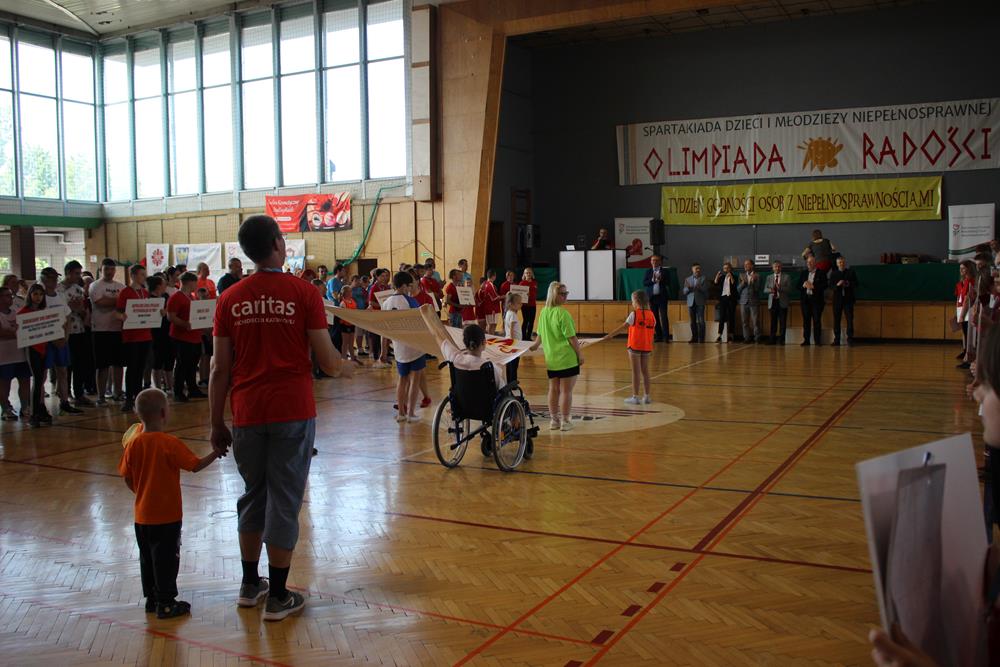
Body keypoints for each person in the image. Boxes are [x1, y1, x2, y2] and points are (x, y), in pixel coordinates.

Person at [209, 214, 352, 622]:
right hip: (292, 409)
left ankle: (249, 585)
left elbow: (219, 368)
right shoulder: (303, 293)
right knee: (285, 500)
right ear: (276, 243)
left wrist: (216, 422)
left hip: (248, 411)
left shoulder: (230, 298)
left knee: (253, 495)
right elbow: (328, 361)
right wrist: (345, 366)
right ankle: (278, 595)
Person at [118, 388, 220, 619]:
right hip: (167, 516)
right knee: (166, 559)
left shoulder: (133, 444)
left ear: (138, 414)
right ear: (164, 413)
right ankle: (166, 602)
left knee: (147, 558)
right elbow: (195, 465)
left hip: (142, 516)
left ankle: (152, 599)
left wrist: (140, 492)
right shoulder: (169, 443)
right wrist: (215, 453)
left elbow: (126, 476)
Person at [528, 282, 583, 432]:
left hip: (551, 359)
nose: (565, 296)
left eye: (566, 293)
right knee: (566, 391)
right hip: (567, 359)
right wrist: (580, 355)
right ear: (554, 295)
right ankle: (565, 421)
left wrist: (533, 346)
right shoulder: (563, 314)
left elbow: (539, 337)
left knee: (553, 389)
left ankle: (554, 420)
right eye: (562, 294)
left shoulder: (544, 312)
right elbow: (572, 338)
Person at [420, 305, 505, 389]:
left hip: (462, 397)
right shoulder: (490, 367)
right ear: (483, 343)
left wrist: (425, 315)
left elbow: (436, 335)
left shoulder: (455, 359)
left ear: (464, 342)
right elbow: (502, 388)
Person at [20, 283, 68, 426]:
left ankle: (40, 410)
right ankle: (34, 413)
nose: (38, 297)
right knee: (37, 379)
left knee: (41, 378)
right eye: (35, 294)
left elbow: (54, 326)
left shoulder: (45, 311)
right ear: (30, 295)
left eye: (41, 294)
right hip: (33, 349)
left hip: (45, 348)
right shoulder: (24, 312)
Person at [382, 272, 426, 423]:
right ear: (403, 286)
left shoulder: (386, 303)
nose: (410, 289)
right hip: (414, 346)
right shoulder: (410, 301)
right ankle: (411, 413)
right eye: (409, 286)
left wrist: (383, 350)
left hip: (399, 348)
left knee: (402, 380)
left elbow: (384, 330)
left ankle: (401, 413)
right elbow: (420, 322)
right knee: (415, 380)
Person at [602, 289, 655, 405]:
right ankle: (647, 396)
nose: (632, 303)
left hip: (635, 346)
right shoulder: (652, 315)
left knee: (636, 372)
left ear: (637, 301)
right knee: (645, 371)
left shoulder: (634, 314)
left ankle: (635, 397)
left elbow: (623, 327)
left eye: (632, 301)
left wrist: (610, 335)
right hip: (646, 347)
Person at [40, 267, 80, 415]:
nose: (54, 281)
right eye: (51, 278)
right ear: (43, 279)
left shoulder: (60, 295)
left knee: (63, 371)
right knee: (42, 374)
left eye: (55, 278)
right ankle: (40, 405)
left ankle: (64, 401)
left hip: (62, 339)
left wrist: (66, 337)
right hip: (46, 341)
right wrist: (52, 338)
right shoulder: (40, 297)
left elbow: (67, 317)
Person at [90, 258, 125, 404]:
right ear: (101, 270)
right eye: (106, 269)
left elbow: (125, 303)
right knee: (102, 365)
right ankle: (101, 396)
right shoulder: (95, 285)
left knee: (118, 364)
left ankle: (118, 392)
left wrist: (111, 300)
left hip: (117, 329)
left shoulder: (121, 286)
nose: (109, 272)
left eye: (112, 269)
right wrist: (118, 300)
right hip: (100, 330)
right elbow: (100, 303)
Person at [166, 272, 206, 402]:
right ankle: (178, 391)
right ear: (190, 282)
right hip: (182, 337)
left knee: (192, 364)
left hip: (194, 336)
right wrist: (185, 324)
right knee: (182, 365)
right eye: (195, 283)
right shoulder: (176, 297)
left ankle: (192, 388)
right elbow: (170, 316)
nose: (196, 285)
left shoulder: (191, 297)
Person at [59, 260, 94, 406]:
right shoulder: (57, 290)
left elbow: (83, 310)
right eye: (76, 273)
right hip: (64, 332)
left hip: (79, 330)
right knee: (66, 365)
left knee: (80, 363)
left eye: (79, 273)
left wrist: (81, 311)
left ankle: (79, 393)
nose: (78, 276)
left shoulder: (78, 289)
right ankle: (65, 394)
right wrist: (68, 307)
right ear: (68, 273)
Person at [0, 286, 30, 421]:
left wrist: (16, 332)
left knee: (24, 381)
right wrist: (18, 333)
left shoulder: (17, 312)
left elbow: (26, 328)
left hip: (20, 354)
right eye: (7, 295)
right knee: (4, 383)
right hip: (4, 356)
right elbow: (2, 333)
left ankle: (25, 407)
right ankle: (5, 408)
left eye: (11, 295)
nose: (10, 298)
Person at [147, 276, 174, 393]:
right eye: (163, 284)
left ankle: (170, 386)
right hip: (155, 333)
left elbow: (170, 309)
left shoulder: (166, 296)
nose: (165, 286)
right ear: (158, 286)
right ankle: (158, 387)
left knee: (169, 360)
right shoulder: (148, 298)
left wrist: (166, 311)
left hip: (168, 331)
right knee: (157, 361)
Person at [797, 255, 828, 346]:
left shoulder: (821, 273)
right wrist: (803, 285)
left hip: (817, 302)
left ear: (815, 263)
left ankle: (817, 341)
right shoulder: (803, 273)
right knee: (806, 321)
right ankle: (806, 340)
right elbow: (797, 286)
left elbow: (825, 285)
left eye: (811, 262)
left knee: (817, 321)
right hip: (805, 301)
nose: (809, 264)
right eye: (808, 262)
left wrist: (814, 286)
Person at [829, 256, 858, 346]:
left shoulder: (850, 272)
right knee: (837, 320)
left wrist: (847, 283)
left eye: (843, 262)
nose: (841, 264)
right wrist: (837, 285)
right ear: (837, 264)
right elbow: (830, 286)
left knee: (849, 319)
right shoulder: (833, 274)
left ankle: (850, 339)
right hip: (837, 300)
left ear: (845, 263)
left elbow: (856, 283)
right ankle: (836, 339)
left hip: (848, 300)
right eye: (840, 262)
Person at [643, 254, 671, 343]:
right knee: (654, 318)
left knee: (664, 317)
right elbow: (644, 283)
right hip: (651, 298)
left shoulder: (665, 271)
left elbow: (669, 282)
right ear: (651, 262)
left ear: (660, 262)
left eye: (656, 260)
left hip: (662, 297)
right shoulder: (648, 271)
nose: (654, 262)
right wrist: (652, 280)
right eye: (653, 260)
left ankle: (666, 337)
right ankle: (658, 336)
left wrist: (660, 279)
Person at [765, 260, 791, 344]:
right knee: (773, 322)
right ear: (772, 268)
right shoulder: (769, 277)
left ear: (781, 267)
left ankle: (782, 339)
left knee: (783, 322)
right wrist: (771, 290)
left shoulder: (786, 277)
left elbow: (789, 289)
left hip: (782, 302)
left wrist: (780, 288)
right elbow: (765, 289)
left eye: (779, 266)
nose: (777, 268)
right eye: (775, 266)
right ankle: (772, 339)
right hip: (772, 302)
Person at [682, 263, 708, 343]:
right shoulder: (687, 279)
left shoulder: (703, 278)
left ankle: (701, 339)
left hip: (700, 302)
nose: (698, 270)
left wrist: (699, 288)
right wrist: (688, 288)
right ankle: (694, 338)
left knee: (701, 321)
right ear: (692, 269)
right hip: (691, 302)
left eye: (699, 268)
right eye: (696, 268)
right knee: (692, 322)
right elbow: (684, 291)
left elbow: (706, 290)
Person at [956, 260, 976, 359]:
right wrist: (958, 313)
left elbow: (968, 299)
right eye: (960, 268)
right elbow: (959, 298)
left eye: (963, 268)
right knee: (964, 333)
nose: (961, 270)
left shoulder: (971, 281)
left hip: (968, 311)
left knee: (969, 334)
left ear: (969, 269)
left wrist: (962, 315)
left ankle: (969, 356)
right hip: (962, 309)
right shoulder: (961, 282)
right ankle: (965, 352)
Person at [714, 262, 738, 343]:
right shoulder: (722, 277)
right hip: (723, 299)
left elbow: (734, 284)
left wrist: (731, 276)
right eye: (724, 268)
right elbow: (715, 283)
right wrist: (717, 276)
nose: (725, 269)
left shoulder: (735, 276)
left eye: (727, 268)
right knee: (722, 317)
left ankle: (731, 335)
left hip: (731, 299)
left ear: (730, 268)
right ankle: (719, 335)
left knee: (731, 317)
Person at [738, 259, 761, 343]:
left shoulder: (757, 276)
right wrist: (743, 283)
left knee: (755, 321)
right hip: (743, 302)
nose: (745, 266)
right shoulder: (741, 275)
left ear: (752, 266)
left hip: (754, 301)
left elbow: (758, 289)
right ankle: (746, 338)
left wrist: (754, 281)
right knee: (744, 322)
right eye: (745, 264)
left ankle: (757, 338)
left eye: (747, 264)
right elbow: (738, 289)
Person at [503, 292, 523, 384]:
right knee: (514, 365)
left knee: (510, 364)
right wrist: (512, 342)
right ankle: (513, 382)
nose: (521, 304)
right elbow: (511, 329)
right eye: (518, 303)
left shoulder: (509, 313)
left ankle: (509, 381)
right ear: (511, 304)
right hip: (514, 343)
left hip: (511, 342)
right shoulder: (513, 315)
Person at [519, 268, 538, 340]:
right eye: (527, 273)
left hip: (533, 305)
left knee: (531, 322)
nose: (528, 274)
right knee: (526, 321)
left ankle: (528, 337)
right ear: (524, 274)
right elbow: (519, 295)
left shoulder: (535, 283)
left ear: (532, 274)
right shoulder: (522, 283)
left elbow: (535, 293)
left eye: (529, 272)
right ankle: (523, 338)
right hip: (525, 306)